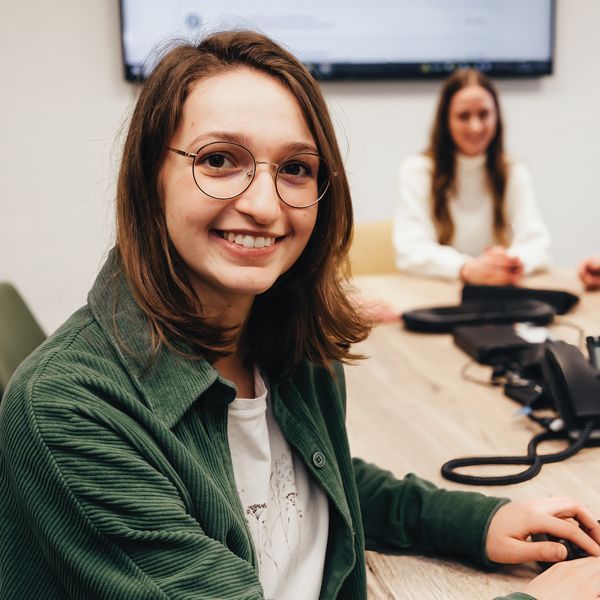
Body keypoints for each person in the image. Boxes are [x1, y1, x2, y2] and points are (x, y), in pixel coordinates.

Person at [1, 31, 600, 600]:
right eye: (218, 160)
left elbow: (306, 483)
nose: (264, 205)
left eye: (295, 168)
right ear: (149, 178)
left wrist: (476, 521)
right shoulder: (69, 410)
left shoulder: (284, 333)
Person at [394, 68, 551, 286]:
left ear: (497, 117)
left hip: (499, 292)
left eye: (484, 114)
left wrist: (511, 263)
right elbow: (410, 250)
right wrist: (466, 268)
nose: (476, 126)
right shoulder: (418, 170)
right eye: (463, 116)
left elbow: (538, 243)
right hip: (437, 295)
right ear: (446, 121)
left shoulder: (513, 170)